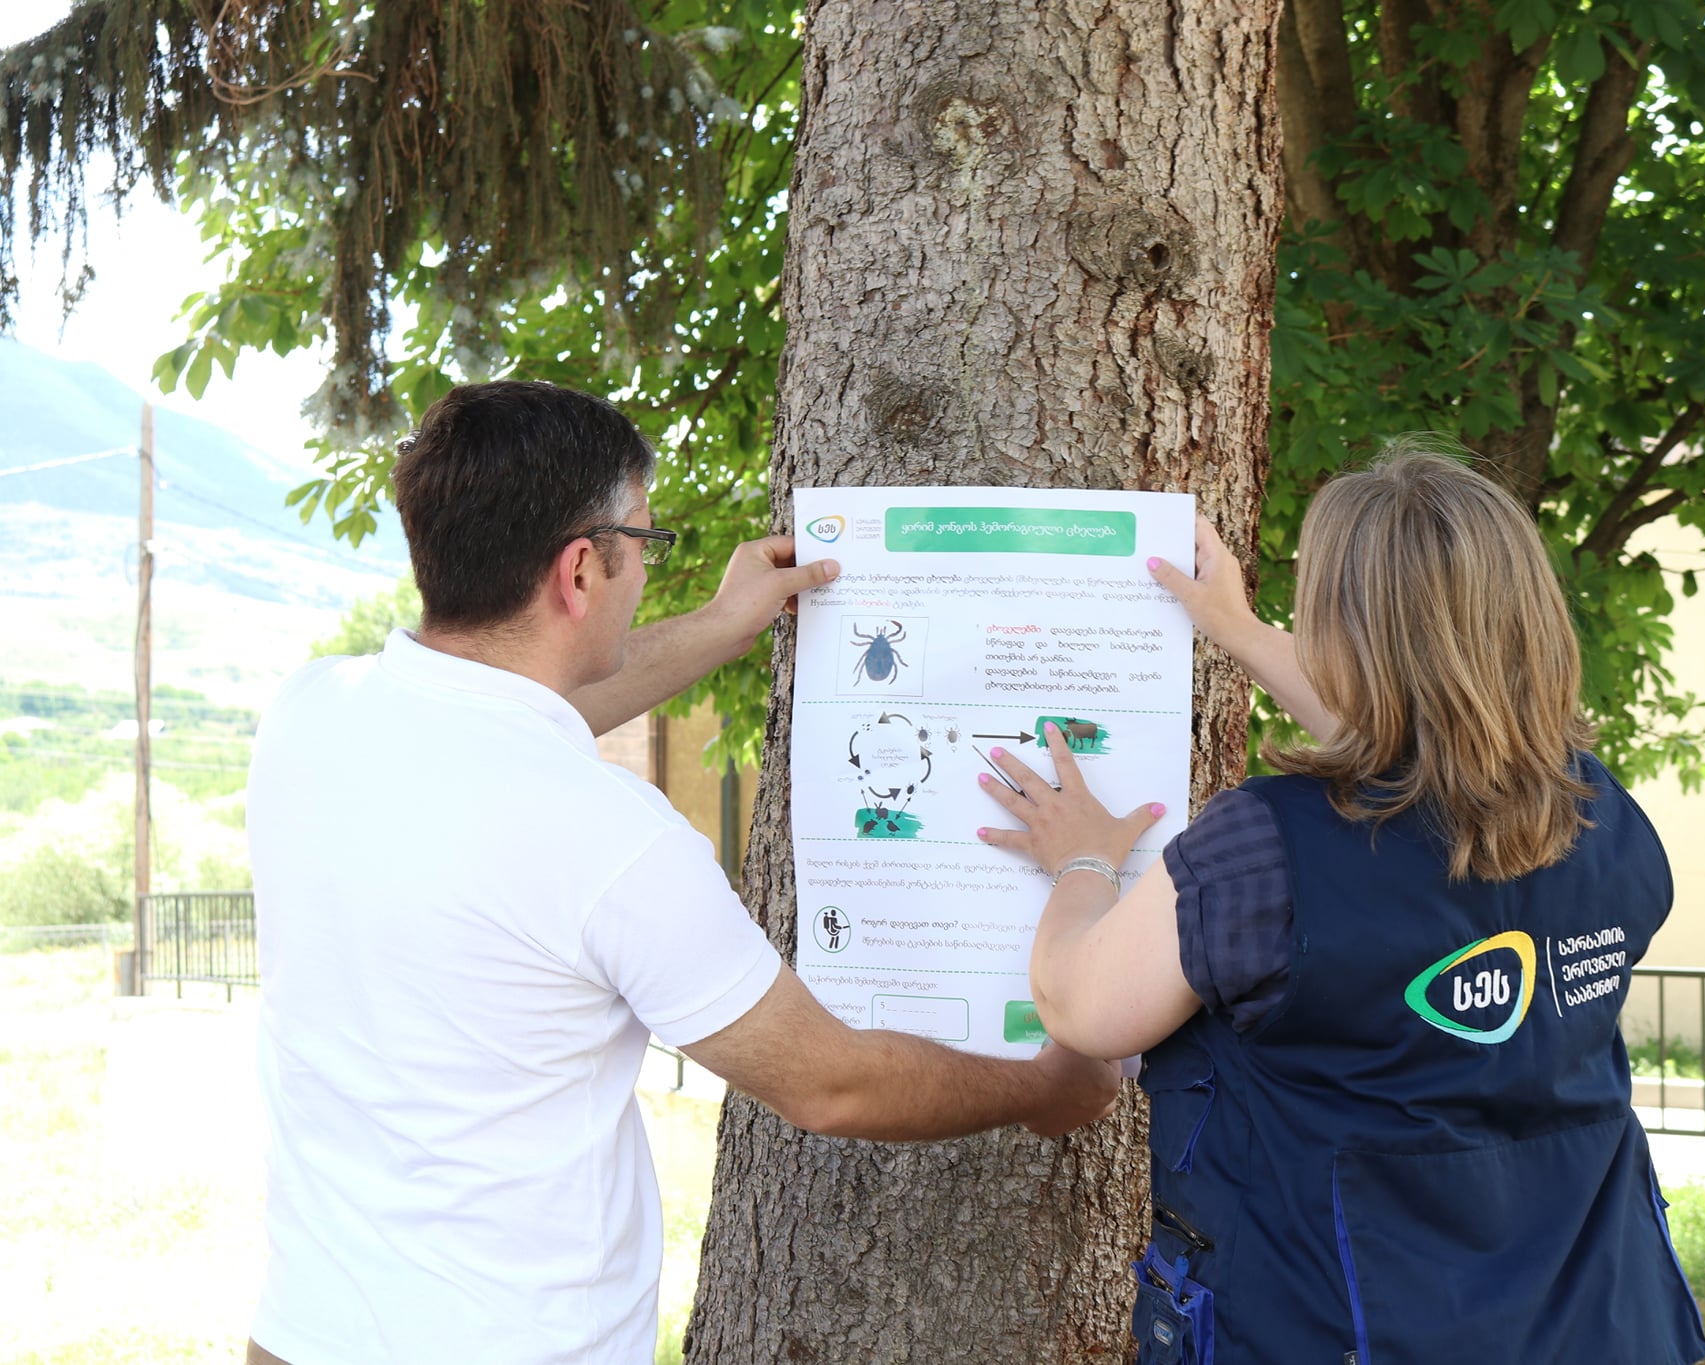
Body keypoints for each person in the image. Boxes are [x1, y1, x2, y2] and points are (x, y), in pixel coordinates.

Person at [243, 381, 1118, 1365]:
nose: (644, 574)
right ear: (583, 568)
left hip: (297, 1335)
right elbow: (828, 1084)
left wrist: (720, 624)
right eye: (644, 545)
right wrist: (1044, 1083)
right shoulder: (608, 837)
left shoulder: (311, 715)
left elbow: (517, 709)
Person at [977, 450, 1705, 1364]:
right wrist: (1238, 631)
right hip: (1597, 1325)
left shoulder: (1266, 854)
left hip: (1335, 1326)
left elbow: (1082, 1005)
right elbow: (1422, 747)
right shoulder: (1607, 822)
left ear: (1338, 632)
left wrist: (1081, 857)